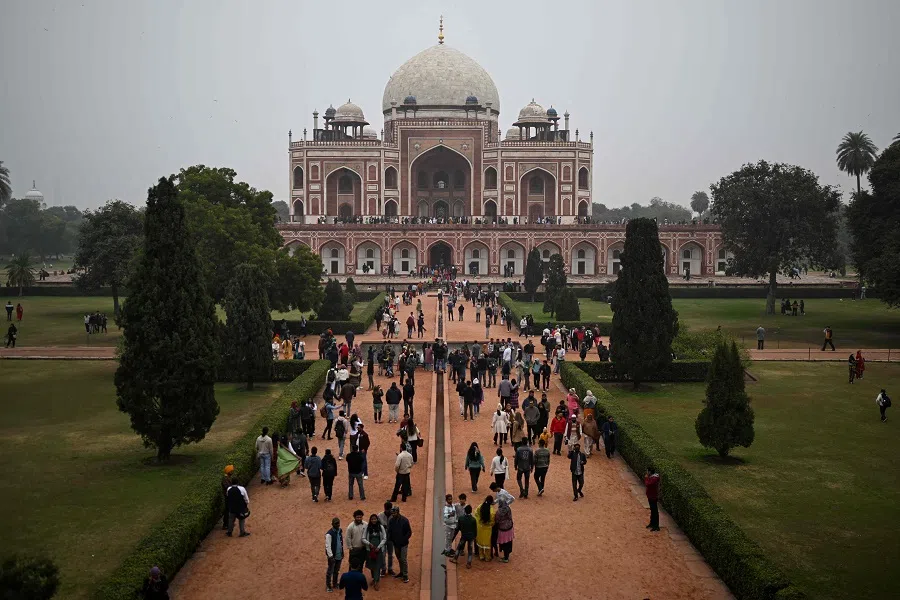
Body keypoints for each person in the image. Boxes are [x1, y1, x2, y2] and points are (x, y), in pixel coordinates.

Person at [387, 506, 412, 583]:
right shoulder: (391, 521)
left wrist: (404, 539)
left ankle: (405, 575)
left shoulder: (404, 520)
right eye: (392, 513)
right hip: (396, 544)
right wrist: (391, 539)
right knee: (399, 558)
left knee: (403, 559)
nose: (393, 514)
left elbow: (409, 532)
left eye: (394, 513)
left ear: (398, 512)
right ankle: (401, 572)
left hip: (403, 544)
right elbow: (390, 531)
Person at [363, 513, 387, 590]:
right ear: (370, 520)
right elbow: (363, 538)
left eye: (375, 519)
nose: (374, 520)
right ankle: (374, 578)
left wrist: (379, 547)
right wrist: (369, 544)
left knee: (377, 566)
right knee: (372, 565)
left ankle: (377, 581)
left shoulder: (381, 527)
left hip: (378, 550)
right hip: (370, 550)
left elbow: (384, 538)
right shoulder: (367, 528)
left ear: (377, 519)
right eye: (372, 519)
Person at [451, 504, 477, 568]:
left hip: (464, 535)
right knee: (470, 550)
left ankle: (455, 559)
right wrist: (475, 536)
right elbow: (475, 530)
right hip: (471, 536)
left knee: (459, 547)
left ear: (465, 511)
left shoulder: (461, 518)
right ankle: (468, 563)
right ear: (471, 511)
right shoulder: (473, 520)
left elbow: (458, 528)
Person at [325, 517, 345, 592]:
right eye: (336, 523)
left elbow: (340, 542)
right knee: (330, 571)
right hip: (332, 557)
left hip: (339, 555)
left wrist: (342, 552)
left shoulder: (339, 531)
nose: (338, 525)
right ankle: (328, 586)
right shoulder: (329, 534)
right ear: (332, 524)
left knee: (336, 570)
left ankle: (335, 583)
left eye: (338, 523)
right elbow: (328, 546)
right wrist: (330, 556)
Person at [475, 496, 496, 561]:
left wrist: (480, 522)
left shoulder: (480, 506)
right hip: (487, 529)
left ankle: (481, 556)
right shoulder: (492, 510)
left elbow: (476, 514)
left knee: (480, 541)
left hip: (480, 527)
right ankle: (487, 557)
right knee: (487, 543)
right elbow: (492, 521)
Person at [494, 498, 515, 563]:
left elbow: (497, 520)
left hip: (502, 530)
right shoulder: (508, 509)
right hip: (509, 528)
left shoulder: (498, 512)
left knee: (504, 543)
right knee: (508, 543)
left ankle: (505, 558)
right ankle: (507, 556)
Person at [378, 502, 395, 576]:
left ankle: (390, 569)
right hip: (382, 538)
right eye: (387, 509)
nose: (388, 511)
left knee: (390, 554)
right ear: (384, 508)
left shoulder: (394, 516)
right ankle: (383, 569)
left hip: (391, 538)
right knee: (382, 554)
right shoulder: (380, 516)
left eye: (389, 509)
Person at [645, 465, 661, 531]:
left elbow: (648, 484)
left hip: (653, 496)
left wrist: (646, 478)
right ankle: (652, 523)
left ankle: (656, 526)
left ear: (650, 472)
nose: (646, 472)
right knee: (652, 510)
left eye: (647, 471)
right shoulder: (652, 477)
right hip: (650, 495)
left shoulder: (653, 479)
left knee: (655, 511)